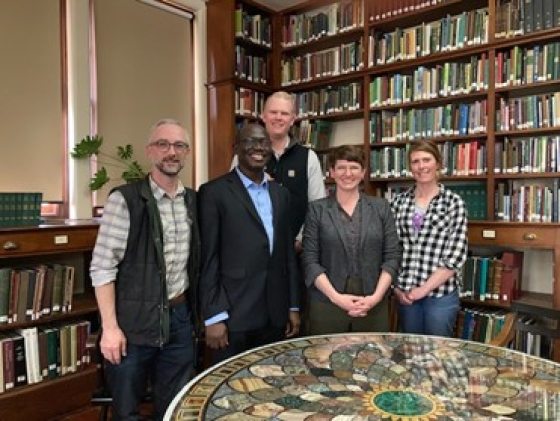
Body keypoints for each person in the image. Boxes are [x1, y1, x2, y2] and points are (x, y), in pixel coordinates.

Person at [90, 119, 200, 420]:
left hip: (179, 321)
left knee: (175, 407)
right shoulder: (124, 200)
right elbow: (102, 266)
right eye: (163, 144)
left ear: (187, 153)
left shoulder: (193, 201)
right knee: (127, 411)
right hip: (132, 324)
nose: (171, 152)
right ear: (150, 151)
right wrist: (110, 328)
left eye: (179, 145)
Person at [199, 123, 300, 363]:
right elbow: (207, 257)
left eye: (263, 142)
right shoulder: (214, 193)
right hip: (233, 315)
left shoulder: (281, 194)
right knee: (229, 393)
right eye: (250, 141)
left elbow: (287, 255)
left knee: (270, 388)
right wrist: (213, 315)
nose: (258, 148)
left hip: (275, 315)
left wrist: (293, 306)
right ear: (236, 148)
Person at [302, 145, 401, 334]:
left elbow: (392, 257)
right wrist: (337, 298)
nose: (348, 173)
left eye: (354, 167)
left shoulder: (381, 208)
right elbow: (310, 261)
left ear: (363, 172)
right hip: (327, 303)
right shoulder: (317, 210)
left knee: (372, 359)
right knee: (324, 360)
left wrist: (375, 298)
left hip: (372, 303)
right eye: (341, 167)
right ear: (331, 172)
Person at [390, 141, 468, 337]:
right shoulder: (398, 203)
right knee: (411, 352)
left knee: (438, 355)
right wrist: (396, 289)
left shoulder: (453, 202)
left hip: (439, 296)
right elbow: (390, 249)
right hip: (406, 295)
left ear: (438, 163)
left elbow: (456, 256)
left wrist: (423, 289)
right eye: (415, 161)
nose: (421, 166)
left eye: (427, 160)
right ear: (410, 167)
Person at [232, 91, 326, 246]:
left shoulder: (309, 158)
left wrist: (302, 240)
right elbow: (233, 204)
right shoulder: (242, 158)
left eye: (284, 113)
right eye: (273, 112)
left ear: (292, 119)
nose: (278, 117)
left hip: (297, 252)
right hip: (252, 249)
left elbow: (318, 207)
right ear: (263, 116)